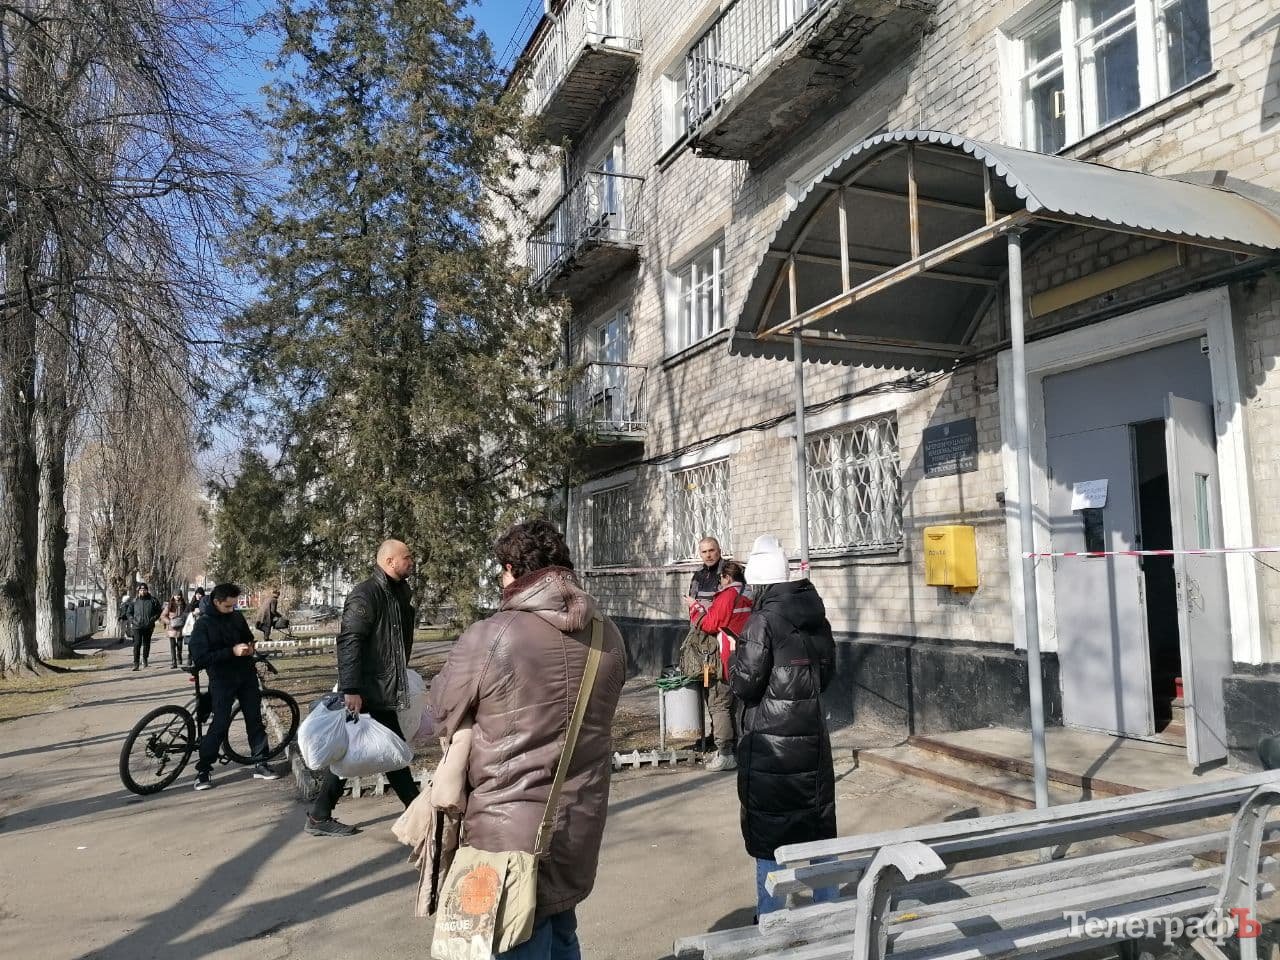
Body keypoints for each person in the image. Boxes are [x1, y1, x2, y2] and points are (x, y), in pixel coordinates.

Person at [428, 519, 625, 960]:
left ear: (512, 570)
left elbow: (440, 709)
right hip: (577, 819)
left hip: (505, 831)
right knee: (561, 929)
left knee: (516, 939)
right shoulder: (608, 634)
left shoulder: (493, 633)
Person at [731, 535, 837, 920]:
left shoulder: (761, 621)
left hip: (770, 745)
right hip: (811, 737)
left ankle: (772, 918)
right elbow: (827, 675)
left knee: (769, 833)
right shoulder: (816, 616)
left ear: (759, 584)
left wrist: (733, 664)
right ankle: (829, 911)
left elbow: (745, 684)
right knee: (817, 826)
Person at [306, 539, 420, 837]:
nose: (411, 562)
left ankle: (319, 815)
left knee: (374, 750)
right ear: (390, 561)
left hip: (382, 686)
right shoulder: (366, 594)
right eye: (407, 557)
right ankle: (420, 815)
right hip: (368, 688)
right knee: (392, 751)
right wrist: (350, 689)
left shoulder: (398, 592)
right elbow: (349, 641)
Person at [187, 582, 281, 790]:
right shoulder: (203, 624)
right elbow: (200, 657)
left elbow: (248, 638)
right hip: (221, 679)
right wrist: (231, 652)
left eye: (234, 605)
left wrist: (250, 648)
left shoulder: (236, 617)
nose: (232, 609)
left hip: (246, 675)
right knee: (219, 724)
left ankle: (260, 762)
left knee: (254, 720)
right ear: (216, 602)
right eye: (228, 606)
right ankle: (204, 770)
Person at [688, 560, 752, 771]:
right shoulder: (751, 594)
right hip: (750, 658)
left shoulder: (727, 596)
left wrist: (695, 608)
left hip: (726, 659)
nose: (719, 583)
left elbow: (710, 624)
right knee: (739, 706)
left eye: (721, 579)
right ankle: (742, 750)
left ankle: (725, 754)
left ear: (727, 577)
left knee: (720, 704)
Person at [122, 583, 163, 671]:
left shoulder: (153, 600)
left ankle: (145, 659)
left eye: (144, 590)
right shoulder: (134, 601)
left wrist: (153, 619)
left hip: (148, 626)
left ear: (147, 590)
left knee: (146, 644)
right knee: (137, 644)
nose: (142, 591)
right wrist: (132, 620)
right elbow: (129, 612)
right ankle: (136, 663)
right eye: (141, 590)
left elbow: (159, 611)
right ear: (138, 591)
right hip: (137, 626)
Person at [161, 593, 188, 668]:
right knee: (172, 646)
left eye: (179, 595)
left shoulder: (184, 605)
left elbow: (187, 614)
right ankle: (174, 662)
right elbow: (163, 616)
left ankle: (179, 656)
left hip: (180, 627)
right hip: (171, 628)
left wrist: (184, 620)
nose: (177, 597)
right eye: (176, 595)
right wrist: (169, 622)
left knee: (179, 645)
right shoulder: (169, 605)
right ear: (173, 596)